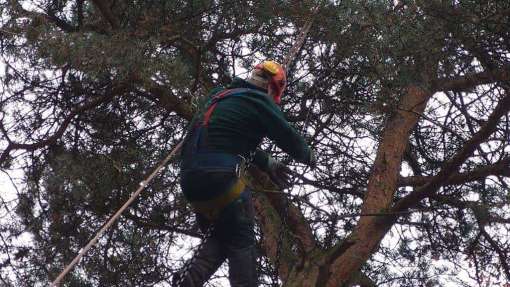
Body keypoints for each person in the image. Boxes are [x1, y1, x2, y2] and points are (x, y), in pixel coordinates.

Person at [174, 60, 315, 287]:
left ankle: (188, 280)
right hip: (220, 180)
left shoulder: (217, 96)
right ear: (271, 87)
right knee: (242, 239)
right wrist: (308, 155)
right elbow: (288, 137)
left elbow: (222, 136)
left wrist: (267, 162)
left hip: (191, 183)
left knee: (223, 237)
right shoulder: (259, 100)